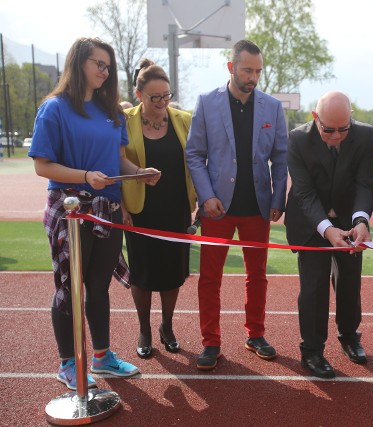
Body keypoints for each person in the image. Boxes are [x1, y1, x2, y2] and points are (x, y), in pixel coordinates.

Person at [28, 37, 160, 390]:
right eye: (98, 63)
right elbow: (43, 166)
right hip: (70, 212)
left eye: (108, 66)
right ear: (78, 63)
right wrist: (85, 177)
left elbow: (117, 160)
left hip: (108, 209)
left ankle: (101, 357)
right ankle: (68, 364)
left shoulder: (112, 112)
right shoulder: (54, 108)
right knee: (69, 289)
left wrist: (138, 172)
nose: (105, 71)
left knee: (99, 287)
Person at [186, 39, 287, 370]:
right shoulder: (206, 103)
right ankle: (210, 342)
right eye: (247, 70)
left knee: (257, 275)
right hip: (217, 207)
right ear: (231, 67)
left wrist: (277, 199)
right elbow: (194, 154)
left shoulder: (272, 107)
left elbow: (281, 157)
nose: (254, 77)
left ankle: (255, 334)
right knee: (209, 277)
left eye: (258, 71)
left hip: (257, 207)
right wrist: (206, 196)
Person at [285, 91, 373, 378]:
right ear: (315, 118)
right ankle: (311, 351)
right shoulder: (297, 139)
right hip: (311, 223)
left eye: (343, 128)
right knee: (313, 288)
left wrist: (361, 220)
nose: (337, 136)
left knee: (349, 282)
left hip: (350, 221)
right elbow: (304, 192)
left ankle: (349, 336)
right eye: (328, 129)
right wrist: (326, 229)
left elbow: (365, 183)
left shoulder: (364, 136)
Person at [121, 59, 197, 359]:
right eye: (156, 97)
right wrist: (137, 172)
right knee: (142, 273)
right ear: (138, 95)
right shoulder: (124, 120)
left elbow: (196, 160)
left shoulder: (183, 119)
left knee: (172, 272)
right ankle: (144, 329)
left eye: (167, 95)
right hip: (140, 208)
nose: (163, 102)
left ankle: (167, 325)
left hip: (176, 207)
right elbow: (115, 159)